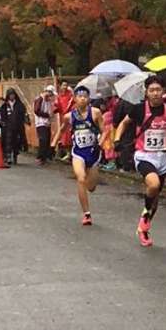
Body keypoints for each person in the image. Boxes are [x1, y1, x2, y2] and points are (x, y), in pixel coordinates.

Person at [114, 76, 166, 246]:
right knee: (153, 185)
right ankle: (145, 217)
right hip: (144, 155)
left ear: (163, 91)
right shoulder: (139, 109)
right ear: (146, 92)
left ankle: (144, 228)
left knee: (155, 198)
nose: (155, 93)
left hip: (162, 157)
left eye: (158, 90)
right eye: (152, 90)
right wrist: (117, 139)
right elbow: (123, 123)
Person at [58, 86, 106, 226]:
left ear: (89, 98)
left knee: (91, 187)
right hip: (78, 152)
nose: (83, 99)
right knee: (81, 178)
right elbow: (62, 129)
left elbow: (104, 131)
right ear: (74, 98)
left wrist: (100, 143)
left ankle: (89, 182)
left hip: (93, 152)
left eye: (85, 96)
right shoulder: (69, 116)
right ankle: (86, 214)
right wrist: (54, 143)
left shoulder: (96, 112)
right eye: (80, 96)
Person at [0, 88, 28, 166]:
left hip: (18, 126)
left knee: (16, 141)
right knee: (8, 141)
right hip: (8, 126)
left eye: (13, 94)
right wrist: (4, 123)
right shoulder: (5, 105)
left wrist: (22, 121)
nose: (12, 96)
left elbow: (23, 113)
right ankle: (8, 156)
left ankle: (15, 155)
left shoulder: (19, 104)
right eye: (10, 95)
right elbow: (2, 115)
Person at [34, 85, 56, 166]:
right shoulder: (39, 99)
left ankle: (45, 157)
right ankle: (39, 157)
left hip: (47, 123)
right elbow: (36, 110)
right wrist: (47, 115)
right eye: (50, 94)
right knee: (43, 139)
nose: (51, 96)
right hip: (40, 123)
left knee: (47, 140)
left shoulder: (48, 101)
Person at [53, 80, 74, 161]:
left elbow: (74, 105)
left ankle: (70, 153)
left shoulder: (71, 96)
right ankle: (67, 153)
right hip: (63, 118)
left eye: (66, 85)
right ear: (60, 86)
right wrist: (55, 109)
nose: (65, 87)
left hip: (70, 118)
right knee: (64, 136)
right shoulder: (59, 96)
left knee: (70, 135)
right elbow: (57, 106)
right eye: (63, 85)